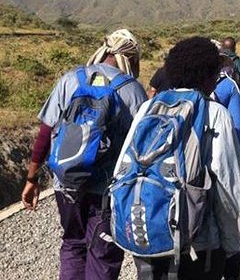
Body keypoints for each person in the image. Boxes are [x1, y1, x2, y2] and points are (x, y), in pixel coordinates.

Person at [21, 29, 148, 280]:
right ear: (132, 59)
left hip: (66, 185)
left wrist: (32, 179)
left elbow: (46, 133)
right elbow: (140, 148)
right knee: (104, 254)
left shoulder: (71, 79)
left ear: (104, 50)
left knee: (72, 244)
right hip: (108, 191)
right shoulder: (133, 90)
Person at [128, 37, 240, 280]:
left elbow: (126, 165)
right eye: (216, 70)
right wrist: (234, 245)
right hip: (200, 242)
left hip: (150, 230)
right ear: (207, 75)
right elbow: (227, 186)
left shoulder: (148, 108)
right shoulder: (214, 113)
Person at [213, 52, 240, 163]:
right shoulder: (230, 83)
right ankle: (237, 160)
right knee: (236, 127)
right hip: (228, 90)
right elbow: (238, 125)